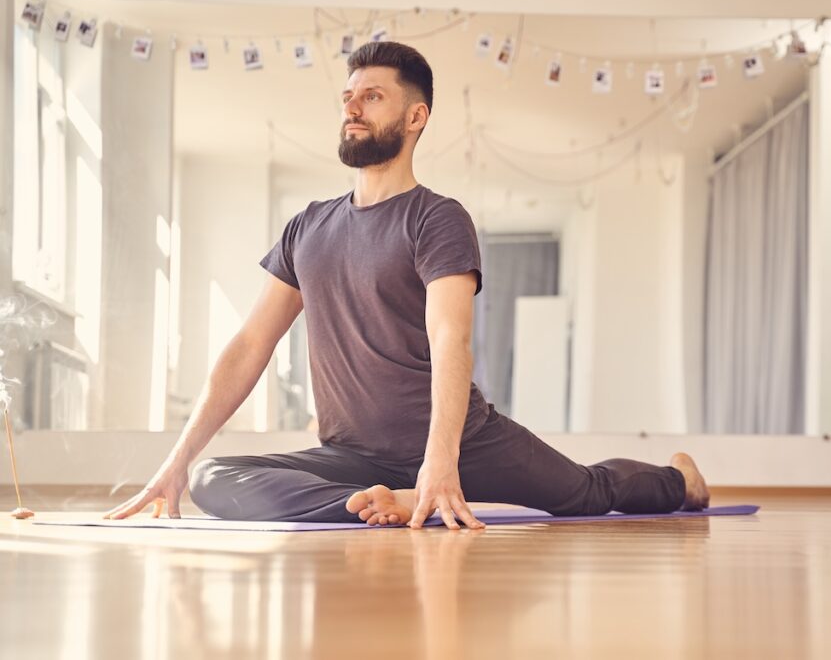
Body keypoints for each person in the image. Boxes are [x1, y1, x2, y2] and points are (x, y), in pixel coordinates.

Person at [104, 42, 709, 530]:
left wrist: (438, 464)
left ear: (415, 117)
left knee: (585, 492)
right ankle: (366, 504)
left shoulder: (436, 218)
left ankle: (679, 478)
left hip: (465, 442)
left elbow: (451, 340)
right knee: (214, 478)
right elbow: (249, 347)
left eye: (372, 96)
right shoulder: (307, 226)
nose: (353, 108)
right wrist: (175, 464)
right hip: (353, 458)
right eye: (349, 96)